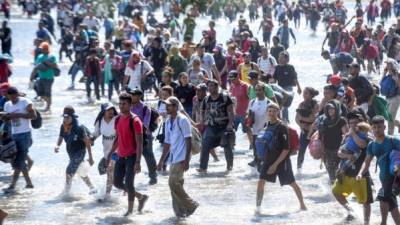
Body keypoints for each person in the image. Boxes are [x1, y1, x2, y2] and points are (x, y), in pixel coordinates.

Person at [255, 102, 306, 213]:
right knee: (260, 181)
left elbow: (286, 149)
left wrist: (275, 165)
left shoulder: (282, 127)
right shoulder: (266, 125)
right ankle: (258, 208)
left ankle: (303, 205)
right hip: (268, 160)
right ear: (267, 112)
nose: (271, 113)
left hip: (282, 161)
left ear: (278, 112)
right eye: (269, 111)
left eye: (274, 111)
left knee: (292, 183)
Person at [156, 96, 199, 218]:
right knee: (175, 186)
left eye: (169, 105)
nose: (166, 107)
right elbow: (167, 143)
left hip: (181, 157)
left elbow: (188, 139)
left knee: (172, 183)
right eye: (166, 105)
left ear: (175, 107)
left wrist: (187, 160)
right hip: (173, 157)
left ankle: (191, 205)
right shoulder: (168, 121)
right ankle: (180, 214)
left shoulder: (183, 119)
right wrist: (161, 161)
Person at [107, 93, 149, 216]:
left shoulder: (135, 121)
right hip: (120, 156)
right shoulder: (118, 119)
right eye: (120, 104)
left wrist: (138, 162)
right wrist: (110, 153)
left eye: (124, 104)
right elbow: (117, 138)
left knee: (129, 184)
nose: (121, 106)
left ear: (130, 105)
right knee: (117, 183)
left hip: (132, 157)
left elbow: (139, 143)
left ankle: (130, 212)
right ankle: (141, 197)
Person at [357, 115, 400, 225]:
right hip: (384, 178)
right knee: (392, 204)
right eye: (374, 127)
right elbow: (366, 161)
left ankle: (383, 223)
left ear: (384, 127)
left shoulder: (393, 140)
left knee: (382, 197)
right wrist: (360, 173)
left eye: (379, 127)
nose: (376, 130)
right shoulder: (372, 145)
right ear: (371, 128)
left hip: (395, 177)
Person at [332, 111, 373, 224]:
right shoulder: (347, 136)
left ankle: (366, 222)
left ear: (360, 123)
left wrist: (353, 133)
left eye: (355, 123)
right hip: (346, 172)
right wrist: (347, 155)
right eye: (350, 123)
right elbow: (339, 152)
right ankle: (351, 211)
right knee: (336, 192)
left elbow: (362, 145)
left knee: (365, 202)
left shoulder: (367, 135)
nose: (352, 125)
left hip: (361, 174)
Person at [54, 106, 97, 196]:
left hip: (80, 152)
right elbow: (61, 137)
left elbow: (87, 142)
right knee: (80, 170)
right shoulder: (63, 126)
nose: (65, 119)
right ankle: (92, 188)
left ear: (72, 117)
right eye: (64, 117)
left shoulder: (79, 128)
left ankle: (66, 193)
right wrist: (57, 145)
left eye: (67, 117)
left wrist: (90, 157)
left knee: (69, 170)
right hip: (71, 153)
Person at [2, 87, 35, 192]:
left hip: (25, 134)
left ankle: (13, 185)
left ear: (17, 94)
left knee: (19, 160)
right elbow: (7, 120)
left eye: (14, 96)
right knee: (16, 159)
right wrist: (5, 117)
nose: (12, 99)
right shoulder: (7, 105)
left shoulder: (25, 102)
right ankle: (29, 183)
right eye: (9, 96)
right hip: (14, 134)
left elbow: (33, 115)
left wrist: (18, 114)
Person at [198, 80, 235, 173]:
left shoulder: (225, 98)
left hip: (224, 126)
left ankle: (229, 167)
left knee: (227, 146)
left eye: (211, 86)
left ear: (216, 87)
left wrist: (230, 124)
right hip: (211, 127)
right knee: (205, 145)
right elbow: (202, 111)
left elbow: (231, 112)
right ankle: (203, 168)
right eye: (208, 86)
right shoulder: (206, 99)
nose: (209, 88)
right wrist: (202, 121)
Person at [128, 88, 158, 185]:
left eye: (134, 95)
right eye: (131, 95)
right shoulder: (129, 106)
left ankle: (153, 177)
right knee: (130, 158)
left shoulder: (146, 108)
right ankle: (129, 181)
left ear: (140, 96)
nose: (131, 96)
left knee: (148, 156)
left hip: (145, 136)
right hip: (131, 136)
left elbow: (145, 126)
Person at [319, 100, 349, 183]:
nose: (330, 111)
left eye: (332, 109)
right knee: (329, 169)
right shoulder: (324, 121)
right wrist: (321, 149)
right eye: (328, 109)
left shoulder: (341, 120)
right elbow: (321, 136)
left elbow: (346, 135)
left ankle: (340, 187)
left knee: (339, 169)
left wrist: (344, 149)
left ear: (336, 109)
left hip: (338, 148)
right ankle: (333, 189)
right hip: (327, 148)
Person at [92, 103, 118, 200]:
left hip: (117, 149)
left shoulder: (117, 119)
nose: (111, 111)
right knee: (110, 173)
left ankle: (107, 195)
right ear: (103, 111)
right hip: (106, 151)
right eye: (108, 110)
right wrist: (91, 139)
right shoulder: (100, 121)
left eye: (112, 109)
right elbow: (96, 133)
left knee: (110, 170)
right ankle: (122, 189)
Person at [273, 51, 301, 122]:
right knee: (279, 104)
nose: (280, 59)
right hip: (279, 88)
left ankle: (285, 120)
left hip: (288, 88)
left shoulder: (290, 67)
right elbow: (274, 79)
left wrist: (299, 87)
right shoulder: (277, 67)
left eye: (282, 58)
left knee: (285, 106)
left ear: (286, 59)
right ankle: (279, 119)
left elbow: (295, 78)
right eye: (279, 57)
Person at [295, 87, 319, 170]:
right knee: (301, 150)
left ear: (312, 95)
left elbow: (313, 118)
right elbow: (296, 118)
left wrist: (302, 119)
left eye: (306, 93)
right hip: (304, 130)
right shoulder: (301, 104)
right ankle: (299, 169)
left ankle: (325, 169)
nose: (304, 95)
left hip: (314, 131)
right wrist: (301, 125)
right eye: (303, 93)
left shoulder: (316, 104)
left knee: (320, 150)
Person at [247, 83, 270, 167]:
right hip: (255, 131)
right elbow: (248, 114)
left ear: (264, 91)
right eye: (256, 90)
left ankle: (263, 170)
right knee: (256, 151)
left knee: (264, 152)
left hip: (265, 131)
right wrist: (248, 119)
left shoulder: (268, 102)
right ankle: (256, 169)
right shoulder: (252, 102)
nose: (257, 92)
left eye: (259, 90)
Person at [31, 42, 57, 111]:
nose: (42, 50)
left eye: (43, 48)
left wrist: (48, 63)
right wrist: (32, 76)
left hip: (49, 77)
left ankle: (48, 106)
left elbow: (55, 66)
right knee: (40, 93)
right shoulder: (39, 57)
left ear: (47, 49)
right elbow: (36, 67)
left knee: (48, 93)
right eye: (41, 48)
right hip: (40, 77)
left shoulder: (51, 56)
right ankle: (48, 103)